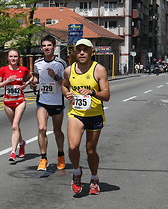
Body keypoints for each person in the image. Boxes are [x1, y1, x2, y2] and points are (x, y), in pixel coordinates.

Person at [61, 39, 110, 195]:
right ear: (75, 52)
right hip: (76, 113)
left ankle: (94, 178)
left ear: (91, 52)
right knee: (73, 146)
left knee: (90, 150)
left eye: (85, 50)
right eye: (79, 50)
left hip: (95, 114)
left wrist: (93, 92)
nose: (82, 52)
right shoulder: (69, 70)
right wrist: (66, 93)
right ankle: (76, 173)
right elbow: (64, 85)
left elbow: (106, 95)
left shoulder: (99, 70)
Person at [31, 35, 67, 171]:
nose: (46, 48)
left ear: (54, 47)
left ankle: (60, 155)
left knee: (57, 131)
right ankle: (43, 158)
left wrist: (55, 76)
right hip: (43, 101)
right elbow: (36, 77)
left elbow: (65, 84)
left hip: (57, 102)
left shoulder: (61, 64)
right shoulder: (38, 63)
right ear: (41, 48)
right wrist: (34, 84)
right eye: (44, 46)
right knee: (42, 128)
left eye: (49, 45)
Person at [0, 49, 33, 163]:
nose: (13, 59)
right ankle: (21, 143)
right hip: (7, 102)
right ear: (8, 58)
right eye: (11, 56)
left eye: (15, 56)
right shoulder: (3, 70)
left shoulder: (23, 70)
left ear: (19, 58)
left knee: (15, 126)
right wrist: (7, 81)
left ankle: (13, 152)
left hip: (20, 101)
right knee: (15, 127)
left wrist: (25, 84)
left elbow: (32, 77)